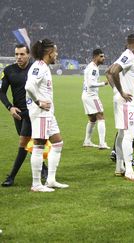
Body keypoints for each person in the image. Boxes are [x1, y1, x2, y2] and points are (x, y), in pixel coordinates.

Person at [0, 44, 48, 187]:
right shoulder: (8, 71)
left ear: (29, 55)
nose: (18, 57)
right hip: (19, 114)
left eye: (22, 54)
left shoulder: (35, 69)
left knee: (25, 144)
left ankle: (12, 176)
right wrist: (10, 107)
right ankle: (44, 169)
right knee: (28, 144)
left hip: (34, 111)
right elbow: (1, 91)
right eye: (16, 54)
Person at [25, 39, 68, 192]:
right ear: (49, 53)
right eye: (55, 51)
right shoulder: (39, 67)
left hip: (48, 113)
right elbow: (29, 86)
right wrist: (39, 102)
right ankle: (36, 184)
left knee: (57, 143)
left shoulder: (43, 67)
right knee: (39, 145)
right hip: (41, 113)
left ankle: (50, 180)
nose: (56, 54)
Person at [105, 34, 134, 181]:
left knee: (121, 134)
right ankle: (129, 171)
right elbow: (113, 71)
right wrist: (121, 92)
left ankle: (119, 167)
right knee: (129, 134)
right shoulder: (129, 55)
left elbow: (108, 71)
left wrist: (115, 90)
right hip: (127, 102)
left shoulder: (124, 55)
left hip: (123, 101)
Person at [81, 48, 110, 149]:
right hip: (91, 96)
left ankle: (87, 141)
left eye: (103, 56)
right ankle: (102, 143)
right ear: (95, 57)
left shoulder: (91, 67)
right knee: (101, 116)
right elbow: (90, 84)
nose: (103, 58)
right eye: (101, 56)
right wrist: (104, 83)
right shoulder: (93, 68)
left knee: (92, 119)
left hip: (85, 95)